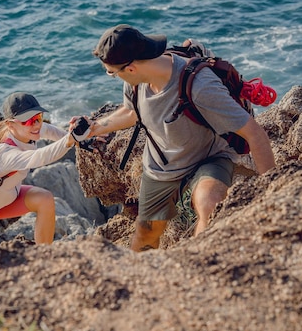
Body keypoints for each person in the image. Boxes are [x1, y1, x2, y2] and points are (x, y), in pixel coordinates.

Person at [89, 24, 276, 251]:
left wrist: (273, 194)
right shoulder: (137, 83)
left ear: (131, 69)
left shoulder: (200, 85)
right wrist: (94, 127)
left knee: (210, 203)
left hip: (209, 157)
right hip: (162, 165)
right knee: (145, 237)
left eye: (111, 72)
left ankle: (199, 261)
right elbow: (131, 112)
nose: (112, 76)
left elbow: (254, 133)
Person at [0, 92, 90, 266]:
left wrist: (83, 140)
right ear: (10, 124)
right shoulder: (3, 152)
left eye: (38, 117)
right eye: (28, 121)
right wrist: (70, 140)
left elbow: (50, 131)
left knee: (44, 199)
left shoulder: (31, 131)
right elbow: (39, 157)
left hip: (5, 201)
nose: (36, 125)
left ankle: (44, 259)